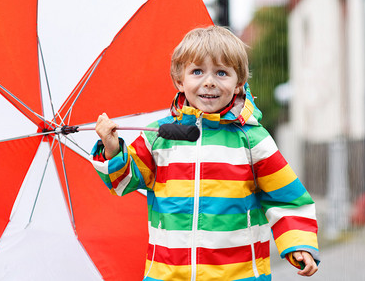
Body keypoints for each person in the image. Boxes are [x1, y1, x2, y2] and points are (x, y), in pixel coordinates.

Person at [91, 25, 319, 280]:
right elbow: (123, 181)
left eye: (221, 72)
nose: (209, 81)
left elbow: (287, 198)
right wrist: (112, 149)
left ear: (238, 83)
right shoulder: (157, 136)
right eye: (197, 71)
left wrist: (299, 243)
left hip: (238, 274)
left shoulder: (252, 140)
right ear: (180, 80)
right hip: (167, 274)